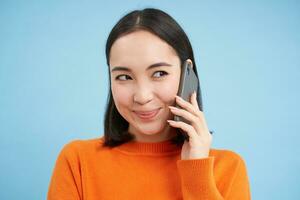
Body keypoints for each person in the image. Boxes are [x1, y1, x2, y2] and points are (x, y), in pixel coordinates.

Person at [47, 8, 251, 200]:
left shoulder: (228, 168)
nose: (142, 97)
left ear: (187, 76)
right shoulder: (77, 161)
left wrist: (196, 172)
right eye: (124, 77)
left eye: (159, 73)